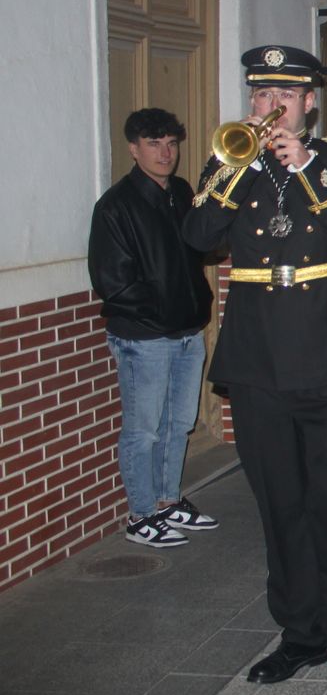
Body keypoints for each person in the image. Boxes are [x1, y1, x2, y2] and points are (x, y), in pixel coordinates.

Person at [182, 45, 327, 686]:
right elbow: (197, 233)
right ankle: (298, 634)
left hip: (326, 355)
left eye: (286, 95)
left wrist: (307, 170)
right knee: (280, 503)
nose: (273, 107)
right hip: (259, 357)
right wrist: (235, 169)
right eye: (263, 96)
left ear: (309, 104)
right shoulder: (231, 160)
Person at [88, 107, 216, 548]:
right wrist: (162, 318)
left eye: (171, 143)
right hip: (145, 337)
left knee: (179, 423)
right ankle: (141, 514)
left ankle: (168, 502)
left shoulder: (180, 192)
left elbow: (200, 250)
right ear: (133, 148)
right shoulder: (115, 206)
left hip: (186, 332)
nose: (165, 152)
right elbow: (113, 283)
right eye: (153, 144)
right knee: (143, 429)